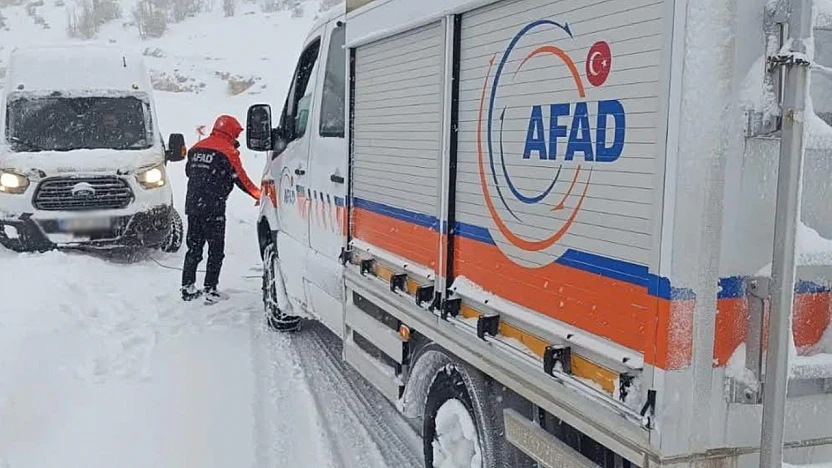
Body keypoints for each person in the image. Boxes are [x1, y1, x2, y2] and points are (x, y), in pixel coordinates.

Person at [181, 115, 261, 303]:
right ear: (231, 132)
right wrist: (259, 194)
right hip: (213, 208)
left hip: (193, 206)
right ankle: (210, 289)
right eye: (236, 135)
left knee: (193, 248)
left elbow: (188, 172)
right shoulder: (227, 151)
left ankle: (187, 287)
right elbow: (241, 179)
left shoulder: (195, 149)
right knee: (216, 250)